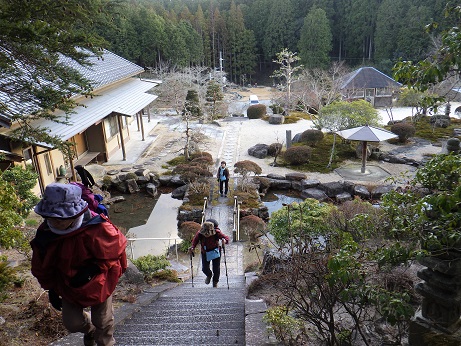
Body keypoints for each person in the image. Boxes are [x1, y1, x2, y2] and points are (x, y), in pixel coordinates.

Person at [30, 183, 127, 346]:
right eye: (51, 217)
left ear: (75, 214)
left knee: (102, 320)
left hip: (100, 280)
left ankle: (106, 342)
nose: (56, 221)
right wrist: (51, 289)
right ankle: (89, 330)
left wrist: (94, 269)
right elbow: (42, 266)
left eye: (61, 217)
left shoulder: (96, 227)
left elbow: (115, 250)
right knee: (72, 323)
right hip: (68, 284)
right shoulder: (46, 234)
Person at [189, 219, 229, 288]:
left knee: (216, 269)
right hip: (205, 252)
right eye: (205, 233)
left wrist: (224, 241)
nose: (206, 235)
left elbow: (226, 238)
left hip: (215, 251)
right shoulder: (199, 234)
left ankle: (215, 282)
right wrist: (192, 247)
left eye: (208, 234)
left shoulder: (217, 232)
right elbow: (194, 241)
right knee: (204, 268)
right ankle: (209, 275)